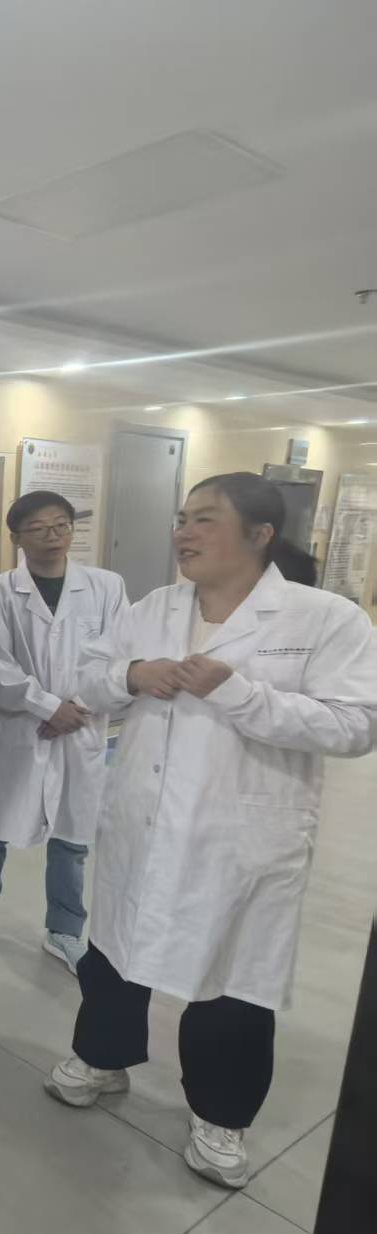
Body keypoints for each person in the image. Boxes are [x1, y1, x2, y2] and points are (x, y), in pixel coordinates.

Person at [45, 472, 377, 1189]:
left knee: (233, 978)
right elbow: (91, 679)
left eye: (204, 520)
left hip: (242, 834)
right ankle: (102, 1058)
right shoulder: (155, 607)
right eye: (182, 518)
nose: (184, 533)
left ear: (260, 534)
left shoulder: (325, 619)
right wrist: (134, 673)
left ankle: (221, 1115)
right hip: (143, 818)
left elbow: (356, 726)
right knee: (116, 951)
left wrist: (240, 693)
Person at [0, 491, 128, 973]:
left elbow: (120, 655)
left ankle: (64, 929)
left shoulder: (106, 587)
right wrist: (49, 708)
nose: (53, 536)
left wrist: (78, 708)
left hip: (82, 728)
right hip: (22, 727)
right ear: (16, 537)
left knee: (73, 836)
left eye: (61, 526)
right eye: (39, 528)